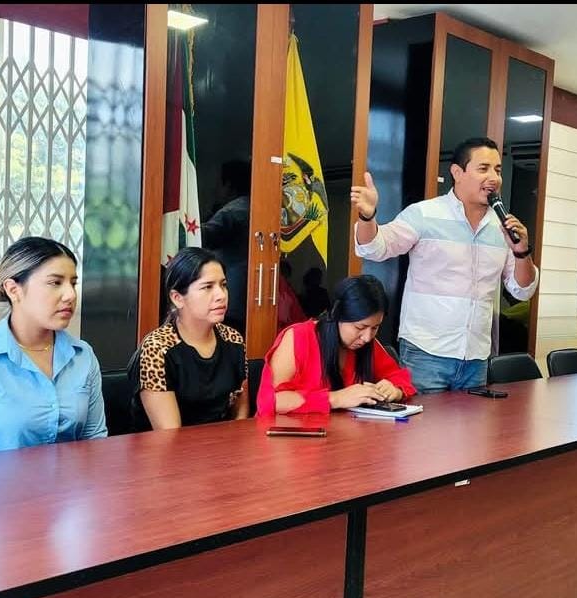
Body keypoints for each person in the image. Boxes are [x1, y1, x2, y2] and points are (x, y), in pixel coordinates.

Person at [352, 136, 539, 393]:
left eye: (497, 170)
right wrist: (367, 216)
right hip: (426, 354)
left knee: (474, 422)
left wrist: (521, 252)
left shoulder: (502, 226)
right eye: (483, 168)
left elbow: (522, 290)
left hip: (476, 357)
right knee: (423, 421)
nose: (493, 178)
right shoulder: (424, 214)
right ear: (457, 172)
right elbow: (374, 248)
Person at [0, 237, 107, 456]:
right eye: (55, 283)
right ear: (13, 289)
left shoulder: (83, 355)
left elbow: (95, 443)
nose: (70, 295)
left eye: (73, 283)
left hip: (73, 479)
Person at [257, 275, 415, 416]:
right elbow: (272, 401)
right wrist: (336, 398)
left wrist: (395, 389)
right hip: (288, 434)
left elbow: (399, 376)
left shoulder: (368, 345)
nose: (367, 337)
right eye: (359, 327)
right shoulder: (298, 337)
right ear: (337, 315)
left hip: (339, 434)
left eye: (375, 328)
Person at [129, 247, 249, 430]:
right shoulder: (157, 348)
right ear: (177, 298)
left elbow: (241, 411)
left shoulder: (233, 339)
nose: (221, 295)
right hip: (168, 446)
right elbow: (170, 434)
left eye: (223, 285)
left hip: (222, 443)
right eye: (207, 287)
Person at [203, 160, 251, 334]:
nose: (215, 190)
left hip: (230, 298)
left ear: (228, 185)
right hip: (248, 297)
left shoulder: (232, 212)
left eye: (218, 184)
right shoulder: (256, 207)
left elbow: (201, 238)